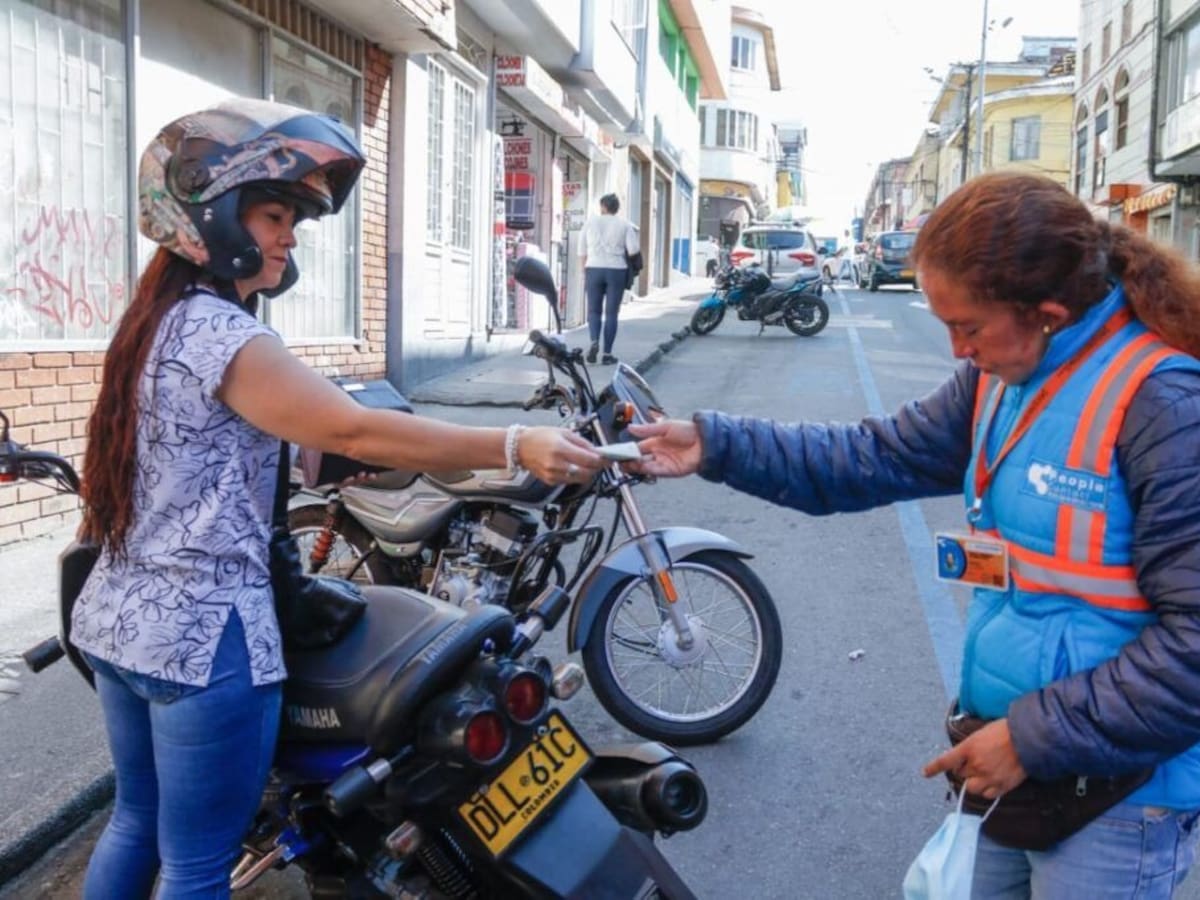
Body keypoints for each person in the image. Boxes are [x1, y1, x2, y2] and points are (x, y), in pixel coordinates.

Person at [70, 98, 604, 899]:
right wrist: (514, 445)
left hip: (121, 621)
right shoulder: (229, 337)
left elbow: (222, 448)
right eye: (274, 215)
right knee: (195, 864)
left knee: (137, 824)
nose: (288, 236)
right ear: (212, 219)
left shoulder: (157, 323)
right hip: (205, 640)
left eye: (294, 220)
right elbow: (360, 432)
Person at [628, 171, 1200, 898]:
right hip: (1007, 762)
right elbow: (875, 456)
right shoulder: (1001, 374)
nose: (957, 350)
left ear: (1049, 312)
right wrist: (714, 444)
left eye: (967, 326)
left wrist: (1032, 738)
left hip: (1117, 798)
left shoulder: (1166, 404)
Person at [579, 192, 639, 364]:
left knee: (594, 311)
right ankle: (607, 354)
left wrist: (585, 272)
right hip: (616, 270)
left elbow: (581, 251)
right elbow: (633, 249)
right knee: (612, 313)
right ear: (617, 208)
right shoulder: (625, 224)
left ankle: (594, 341)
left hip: (593, 268)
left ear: (603, 207)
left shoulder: (590, 222)